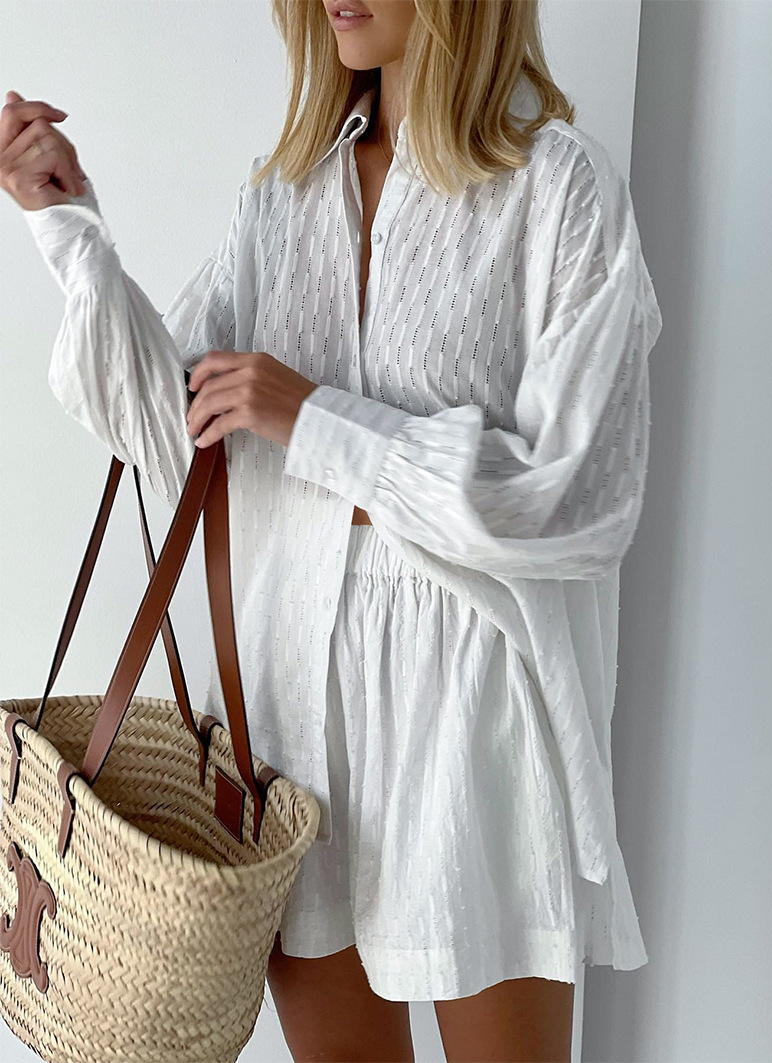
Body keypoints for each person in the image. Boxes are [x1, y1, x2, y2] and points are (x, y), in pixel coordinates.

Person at [0, 0, 662, 1058]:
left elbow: (576, 496)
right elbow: (171, 434)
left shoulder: (555, 187)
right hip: (290, 726)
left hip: (467, 737)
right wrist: (68, 225)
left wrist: (315, 420)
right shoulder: (283, 196)